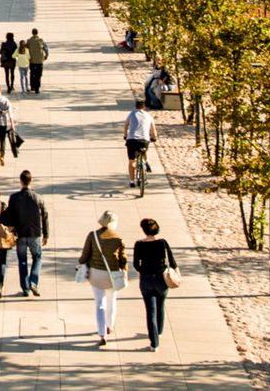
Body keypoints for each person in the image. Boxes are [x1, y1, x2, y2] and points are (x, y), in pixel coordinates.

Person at [79, 210, 128, 346]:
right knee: (112, 301)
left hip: (96, 274)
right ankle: (109, 325)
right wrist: (125, 272)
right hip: (112, 274)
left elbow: (85, 255)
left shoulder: (93, 235)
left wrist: (81, 263)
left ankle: (102, 333)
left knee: (99, 303)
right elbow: (123, 260)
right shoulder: (118, 238)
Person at [1, 169, 49, 297]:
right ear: (31, 181)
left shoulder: (14, 197)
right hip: (35, 233)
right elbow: (45, 215)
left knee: (22, 261)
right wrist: (46, 234)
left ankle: (25, 288)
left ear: (21, 181)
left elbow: (10, 215)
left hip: (21, 233)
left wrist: (11, 228)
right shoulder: (38, 197)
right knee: (37, 257)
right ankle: (33, 282)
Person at [133, 217, 177, 351]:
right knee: (160, 305)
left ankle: (154, 343)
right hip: (161, 279)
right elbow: (172, 260)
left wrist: (143, 270)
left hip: (146, 279)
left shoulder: (139, 244)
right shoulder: (162, 243)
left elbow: (136, 264)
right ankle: (159, 331)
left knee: (150, 311)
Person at [124, 98, 156, 187]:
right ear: (144, 106)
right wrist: (154, 138)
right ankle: (146, 162)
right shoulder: (148, 116)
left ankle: (132, 181)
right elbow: (153, 130)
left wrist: (125, 135)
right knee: (145, 149)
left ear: (135, 106)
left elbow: (125, 126)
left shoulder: (131, 114)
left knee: (132, 161)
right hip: (144, 140)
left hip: (132, 140)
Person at [26, 28, 49, 93]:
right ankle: (37, 87)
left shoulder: (29, 41)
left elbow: (26, 49)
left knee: (32, 73)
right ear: (37, 33)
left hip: (32, 60)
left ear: (32, 33)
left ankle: (32, 86)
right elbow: (46, 49)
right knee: (38, 74)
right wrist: (46, 55)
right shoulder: (41, 40)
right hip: (39, 60)